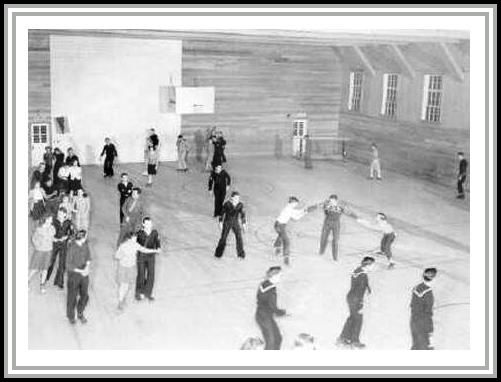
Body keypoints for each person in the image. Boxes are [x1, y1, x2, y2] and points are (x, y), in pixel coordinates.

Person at [336, 256, 376, 349]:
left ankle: (343, 338)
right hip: (356, 299)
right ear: (368, 265)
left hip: (351, 297)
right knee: (358, 319)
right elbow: (360, 290)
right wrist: (360, 303)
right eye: (373, 265)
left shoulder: (358, 271)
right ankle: (354, 341)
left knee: (352, 318)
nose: (373, 267)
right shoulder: (363, 275)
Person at [114, 231, 159, 310]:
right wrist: (123, 255)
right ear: (129, 239)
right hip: (123, 268)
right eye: (134, 238)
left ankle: (122, 298)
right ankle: (120, 302)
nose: (136, 239)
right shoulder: (123, 246)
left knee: (127, 286)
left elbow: (144, 250)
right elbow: (117, 256)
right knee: (123, 285)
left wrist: (154, 251)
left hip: (131, 268)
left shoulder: (135, 245)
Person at [273, 196, 317, 265]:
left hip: (279, 225)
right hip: (280, 226)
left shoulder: (288, 208)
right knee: (286, 241)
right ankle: (286, 258)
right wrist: (306, 210)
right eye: (295, 203)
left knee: (281, 235)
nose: (296, 205)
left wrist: (305, 211)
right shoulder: (288, 209)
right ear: (292, 202)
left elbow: (297, 215)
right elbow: (296, 217)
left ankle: (277, 247)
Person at [255, 266, 287, 350]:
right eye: (280, 276)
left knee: (278, 338)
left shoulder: (263, 284)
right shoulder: (272, 289)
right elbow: (273, 306)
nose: (280, 278)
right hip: (265, 317)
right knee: (271, 342)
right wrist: (281, 312)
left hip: (262, 315)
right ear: (274, 276)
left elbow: (260, 299)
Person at [319, 194, 355, 261]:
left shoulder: (341, 207)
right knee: (323, 237)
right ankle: (321, 251)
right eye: (330, 201)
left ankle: (335, 257)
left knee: (335, 240)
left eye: (333, 201)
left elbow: (349, 213)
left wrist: (356, 218)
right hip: (327, 222)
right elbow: (325, 212)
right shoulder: (326, 204)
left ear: (336, 200)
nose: (331, 202)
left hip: (336, 224)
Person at [66, 230, 91, 324]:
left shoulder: (85, 245)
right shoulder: (72, 248)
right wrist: (81, 271)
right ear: (82, 238)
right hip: (74, 274)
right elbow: (68, 265)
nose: (86, 238)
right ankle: (71, 316)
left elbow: (88, 256)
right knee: (72, 296)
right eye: (86, 237)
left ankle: (80, 312)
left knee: (85, 296)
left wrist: (87, 268)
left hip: (84, 272)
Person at [45, 207, 73, 289]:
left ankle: (59, 282)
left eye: (61, 214)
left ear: (65, 214)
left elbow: (72, 233)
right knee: (51, 260)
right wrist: (53, 238)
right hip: (55, 243)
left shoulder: (68, 222)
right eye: (58, 214)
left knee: (62, 263)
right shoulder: (54, 221)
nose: (59, 215)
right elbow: (49, 231)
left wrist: (67, 237)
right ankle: (45, 277)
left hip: (63, 244)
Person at [214, 191, 247, 259]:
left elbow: (243, 215)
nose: (237, 199)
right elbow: (222, 213)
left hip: (235, 223)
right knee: (223, 238)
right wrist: (220, 222)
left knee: (239, 238)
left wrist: (244, 224)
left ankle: (240, 254)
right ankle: (218, 254)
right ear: (232, 198)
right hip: (227, 222)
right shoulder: (227, 204)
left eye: (238, 198)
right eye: (236, 198)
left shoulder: (240, 205)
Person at [410, 267, 437, 350]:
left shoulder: (416, 288)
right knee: (424, 347)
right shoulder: (428, 292)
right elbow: (428, 313)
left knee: (416, 345)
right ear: (433, 278)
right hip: (423, 323)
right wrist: (430, 330)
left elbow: (412, 304)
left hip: (413, 320)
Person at [135, 217, 161, 301]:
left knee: (151, 274)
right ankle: (139, 293)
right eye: (147, 223)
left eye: (150, 223)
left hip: (151, 257)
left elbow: (157, 242)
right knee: (141, 274)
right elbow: (136, 245)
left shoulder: (155, 233)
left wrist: (159, 247)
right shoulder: (139, 233)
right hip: (141, 256)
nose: (149, 225)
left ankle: (148, 293)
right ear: (143, 224)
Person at [29, 214, 56, 294]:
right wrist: (38, 245)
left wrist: (54, 240)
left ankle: (42, 285)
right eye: (50, 219)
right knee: (35, 269)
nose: (51, 220)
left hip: (48, 251)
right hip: (40, 251)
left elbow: (52, 237)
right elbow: (33, 239)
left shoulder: (52, 228)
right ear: (46, 219)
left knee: (45, 269)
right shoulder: (39, 229)